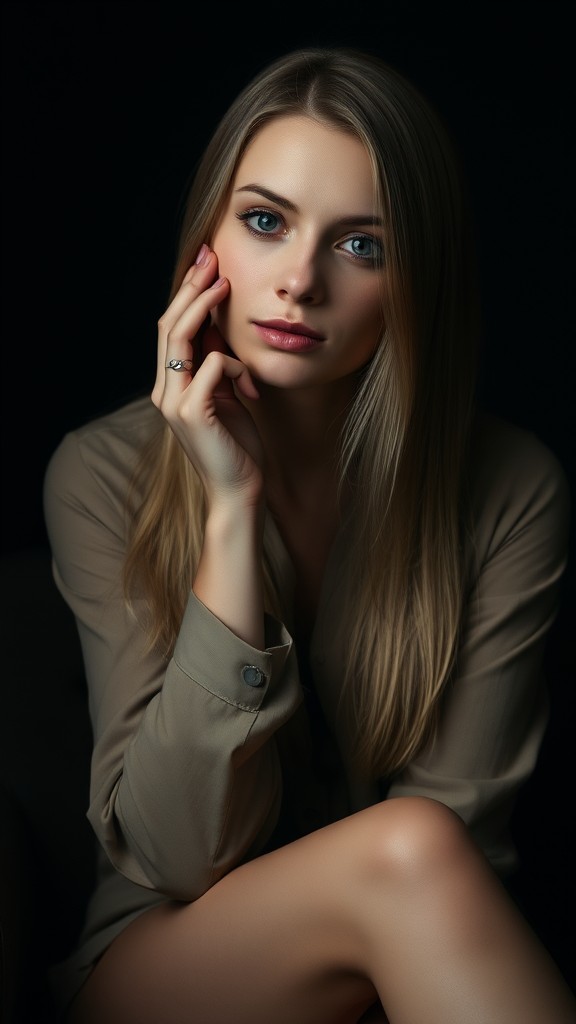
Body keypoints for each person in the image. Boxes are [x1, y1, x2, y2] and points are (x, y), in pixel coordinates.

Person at [43, 45, 575, 1024]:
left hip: (398, 967)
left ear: (418, 276)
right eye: (264, 222)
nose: (299, 281)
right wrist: (231, 512)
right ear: (205, 243)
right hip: (159, 971)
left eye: (361, 245)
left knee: (417, 852)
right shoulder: (101, 472)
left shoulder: (508, 489)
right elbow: (173, 854)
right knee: (406, 851)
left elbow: (460, 849)